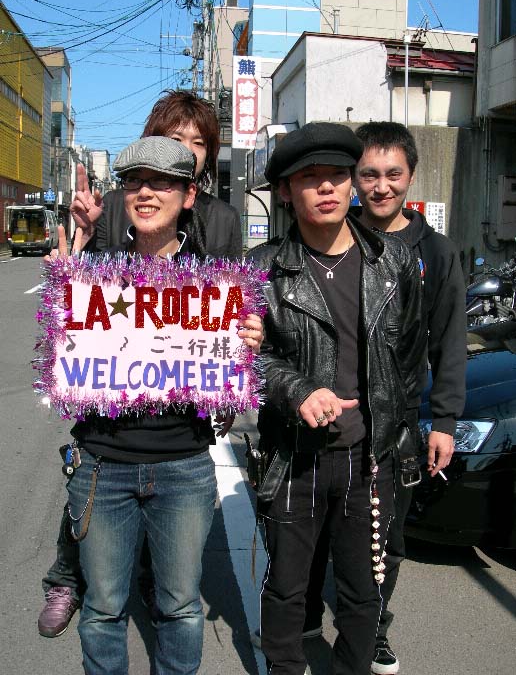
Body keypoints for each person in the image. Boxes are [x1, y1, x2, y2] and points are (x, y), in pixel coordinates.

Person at [45, 136, 261, 675]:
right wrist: (65, 278)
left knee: (180, 607)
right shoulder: (95, 270)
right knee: (102, 608)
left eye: (162, 182)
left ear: (187, 196)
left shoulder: (215, 282)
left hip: (184, 466)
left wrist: (246, 342)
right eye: (135, 182)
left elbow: (228, 369)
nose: (146, 192)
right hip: (102, 464)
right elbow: (63, 359)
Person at [247, 122, 425, 675]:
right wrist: (296, 390)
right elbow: (245, 360)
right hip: (293, 457)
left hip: (370, 459)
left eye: (337, 175)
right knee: (286, 588)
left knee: (364, 591)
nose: (326, 187)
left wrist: (403, 440)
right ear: (285, 191)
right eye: (309, 177)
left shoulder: (394, 262)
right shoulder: (260, 269)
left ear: (351, 183)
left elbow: (410, 359)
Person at [297, 121, 466, 675]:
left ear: (411, 176)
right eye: (368, 174)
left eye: (393, 174)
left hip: (395, 426)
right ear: (354, 179)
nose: (381, 186)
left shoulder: (434, 252)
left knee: (385, 538)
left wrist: (445, 421)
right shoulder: (328, 235)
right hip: (324, 419)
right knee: (314, 530)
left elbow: (449, 341)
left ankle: (374, 631)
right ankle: (303, 616)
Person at [72, 89, 242, 258]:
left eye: (198, 143)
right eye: (176, 139)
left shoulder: (225, 217)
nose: (187, 150)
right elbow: (93, 267)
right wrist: (87, 232)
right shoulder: (113, 205)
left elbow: (231, 273)